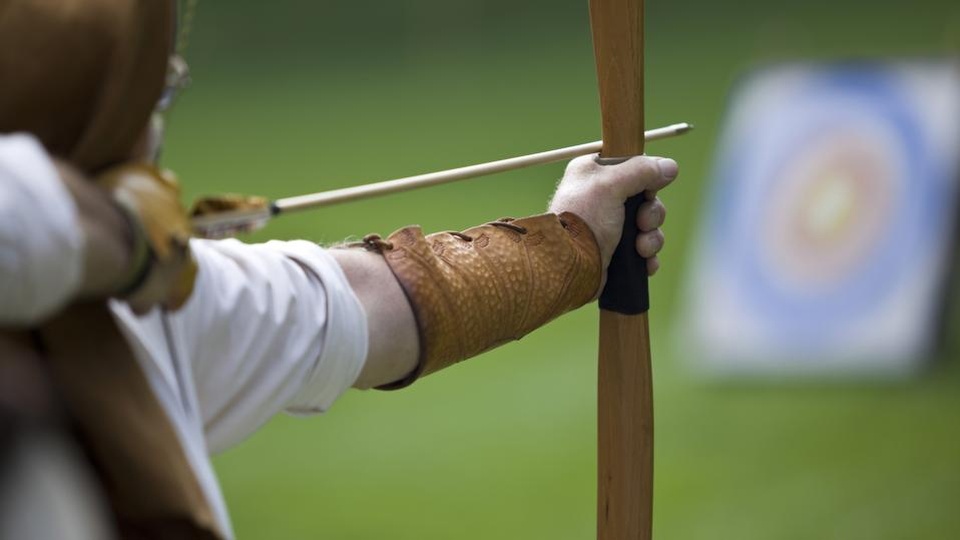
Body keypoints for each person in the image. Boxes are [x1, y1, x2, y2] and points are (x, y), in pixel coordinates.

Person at [0, 1, 677, 538]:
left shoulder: (160, 312)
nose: (151, 135)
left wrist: (578, 239)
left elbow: (373, 300)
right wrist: (124, 238)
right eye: (144, 95)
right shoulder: (135, 285)